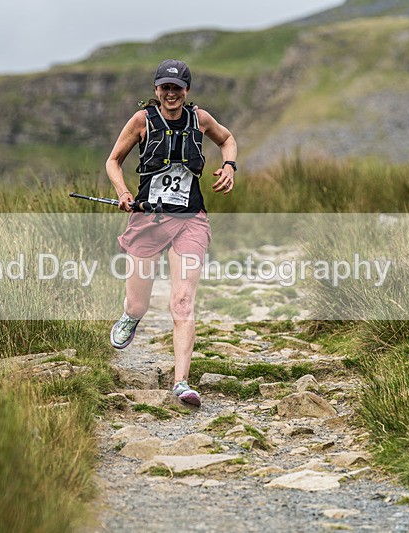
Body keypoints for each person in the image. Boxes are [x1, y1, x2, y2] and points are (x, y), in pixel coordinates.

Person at [105, 59, 237, 407]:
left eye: (177, 88)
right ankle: (131, 317)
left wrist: (229, 166)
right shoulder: (142, 121)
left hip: (191, 219)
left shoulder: (200, 119)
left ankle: (181, 382)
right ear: (156, 90)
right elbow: (113, 161)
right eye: (165, 87)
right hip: (148, 220)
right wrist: (123, 193)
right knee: (138, 302)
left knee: (182, 301)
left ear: (187, 91)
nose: (171, 93)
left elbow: (227, 139)